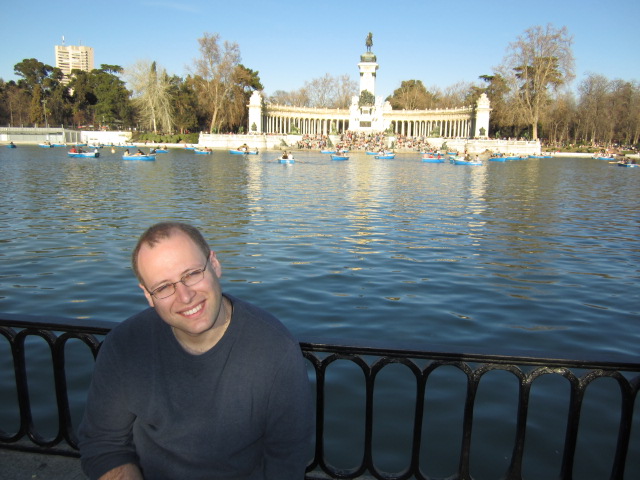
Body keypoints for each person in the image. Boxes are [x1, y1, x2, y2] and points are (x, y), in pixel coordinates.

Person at [78, 222, 313, 480]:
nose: (185, 296)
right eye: (163, 287)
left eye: (191, 274)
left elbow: (286, 462)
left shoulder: (275, 351)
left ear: (215, 264)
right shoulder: (124, 346)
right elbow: (103, 444)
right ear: (147, 295)